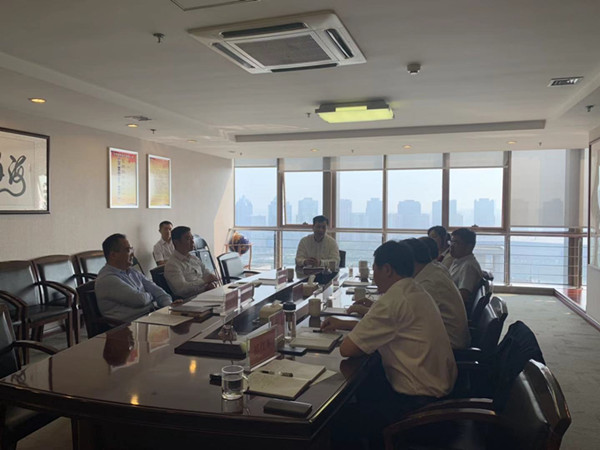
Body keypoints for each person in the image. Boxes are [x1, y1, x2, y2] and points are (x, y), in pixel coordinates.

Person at [321, 240, 457, 448]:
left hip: (417, 409)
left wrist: (352, 330)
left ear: (387, 269)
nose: (373, 276)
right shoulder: (415, 290)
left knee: (336, 420)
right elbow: (389, 327)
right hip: (438, 398)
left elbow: (347, 349)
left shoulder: (394, 299)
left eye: (374, 269)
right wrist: (345, 324)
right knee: (365, 386)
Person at [404, 238, 470, 349]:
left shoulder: (427, 284)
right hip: (449, 337)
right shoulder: (436, 268)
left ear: (410, 261)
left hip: (448, 346)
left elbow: (405, 318)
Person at [96, 233, 173, 322]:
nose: (132, 254)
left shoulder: (133, 272)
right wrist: (152, 295)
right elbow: (140, 300)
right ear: (113, 255)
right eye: (128, 250)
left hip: (150, 318)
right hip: (128, 326)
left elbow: (160, 293)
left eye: (131, 249)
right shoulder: (107, 279)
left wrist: (169, 308)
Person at [164, 226, 219, 298]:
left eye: (192, 238)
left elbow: (208, 275)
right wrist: (204, 281)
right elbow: (182, 289)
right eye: (188, 239)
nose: (192, 241)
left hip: (205, 295)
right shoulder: (172, 265)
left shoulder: (194, 259)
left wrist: (212, 282)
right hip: (189, 301)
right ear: (176, 242)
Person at [449, 227, 483, 304]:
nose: (451, 246)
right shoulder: (459, 261)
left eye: (456, 243)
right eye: (451, 242)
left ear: (469, 247)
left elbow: (463, 296)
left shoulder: (468, 266)